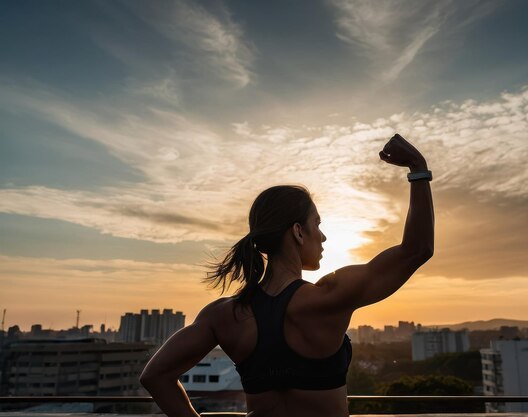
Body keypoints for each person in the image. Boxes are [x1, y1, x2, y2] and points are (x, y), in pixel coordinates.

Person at [140, 133, 435, 417]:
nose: (323, 237)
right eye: (317, 224)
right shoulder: (329, 297)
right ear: (297, 231)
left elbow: (155, 376)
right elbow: (416, 250)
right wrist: (417, 168)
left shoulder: (222, 315)